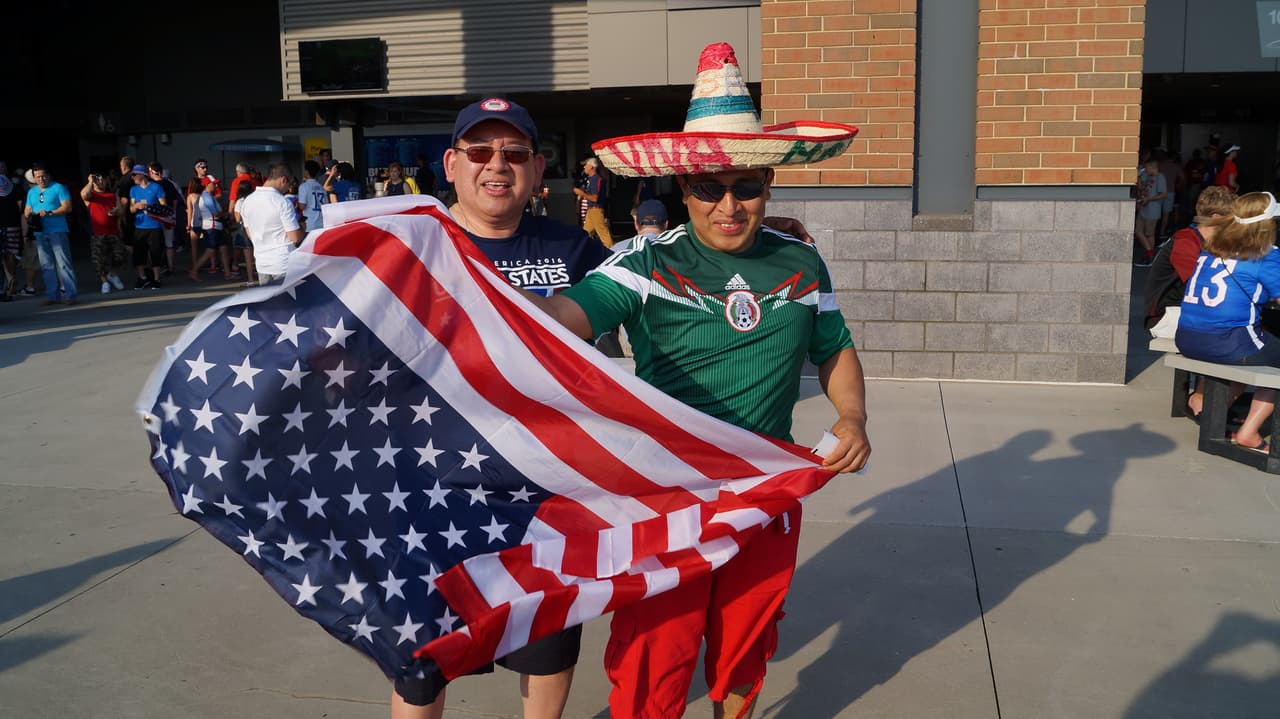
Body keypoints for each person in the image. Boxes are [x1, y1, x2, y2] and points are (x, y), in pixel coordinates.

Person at [519, 42, 868, 719]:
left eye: (748, 184)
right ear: (683, 188)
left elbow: (836, 347)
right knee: (655, 657)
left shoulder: (803, 261)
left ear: (769, 182)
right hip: (665, 501)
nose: (729, 204)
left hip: (764, 493)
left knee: (744, 650)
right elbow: (564, 316)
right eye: (709, 186)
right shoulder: (645, 261)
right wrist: (476, 304)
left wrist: (851, 416)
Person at [389, 96, 614, 719]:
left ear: (538, 170)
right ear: (451, 163)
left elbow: (654, 287)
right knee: (421, 664)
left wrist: (759, 241)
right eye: (480, 152)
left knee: (547, 649)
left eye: (514, 154)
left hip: (543, 496)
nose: (498, 165)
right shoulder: (405, 245)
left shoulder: (576, 251)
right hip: (429, 491)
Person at [1176, 191, 1280, 452]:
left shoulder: (1211, 248)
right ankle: (1249, 432)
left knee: (1254, 351)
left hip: (1187, 336)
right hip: (1226, 341)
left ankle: (1211, 410)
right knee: (1271, 356)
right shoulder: (1266, 255)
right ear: (1267, 224)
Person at [1143, 185, 1236, 333]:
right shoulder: (1185, 240)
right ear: (1217, 218)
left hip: (1185, 309)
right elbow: (1198, 282)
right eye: (1232, 218)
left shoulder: (1209, 242)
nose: (1236, 224)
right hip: (1165, 316)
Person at [24, 164, 78, 305]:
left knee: (63, 263)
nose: (41, 179)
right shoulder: (32, 192)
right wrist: (30, 215)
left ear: (48, 175)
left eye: (43, 176)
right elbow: (27, 210)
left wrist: (50, 213)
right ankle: (52, 295)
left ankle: (70, 295)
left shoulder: (59, 188)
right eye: (38, 177)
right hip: (40, 231)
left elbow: (68, 207)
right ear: (34, 178)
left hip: (57, 229)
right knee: (46, 265)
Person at [238, 164, 302, 284]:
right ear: (283, 180)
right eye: (289, 184)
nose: (288, 188)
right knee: (287, 301)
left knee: (269, 301)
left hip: (262, 263)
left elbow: (250, 235)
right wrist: (302, 227)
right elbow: (295, 238)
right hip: (283, 262)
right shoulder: (283, 202)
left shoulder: (247, 201)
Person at [80, 172, 127, 293]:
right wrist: (90, 181)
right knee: (99, 260)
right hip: (98, 232)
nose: (100, 181)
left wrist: (117, 210)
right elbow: (84, 194)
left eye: (102, 179)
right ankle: (104, 281)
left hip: (113, 231)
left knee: (119, 256)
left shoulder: (112, 195)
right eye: (98, 179)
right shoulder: (92, 196)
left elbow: (121, 211)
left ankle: (112, 274)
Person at [127, 163, 167, 289]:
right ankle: (142, 278)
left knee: (155, 252)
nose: (132, 177)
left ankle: (156, 279)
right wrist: (136, 206)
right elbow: (131, 209)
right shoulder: (133, 189)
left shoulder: (156, 187)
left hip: (154, 225)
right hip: (140, 226)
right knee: (139, 254)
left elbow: (164, 206)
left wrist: (150, 207)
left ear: (142, 175)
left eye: (134, 174)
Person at [189, 175, 234, 281]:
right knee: (210, 251)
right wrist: (226, 214)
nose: (217, 185)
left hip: (215, 226)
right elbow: (216, 214)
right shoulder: (207, 197)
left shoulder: (208, 196)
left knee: (223, 249)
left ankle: (227, 273)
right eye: (214, 183)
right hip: (212, 227)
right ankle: (194, 270)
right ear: (207, 184)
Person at [148, 162, 185, 276]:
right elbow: (175, 199)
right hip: (169, 216)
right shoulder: (169, 183)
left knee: (156, 243)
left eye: (149, 171)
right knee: (169, 243)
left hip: (155, 217)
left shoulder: (151, 185)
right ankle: (170, 267)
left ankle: (156, 267)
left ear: (153, 172)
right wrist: (172, 213)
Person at [573, 157, 613, 247]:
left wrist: (582, 193)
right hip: (591, 210)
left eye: (586, 165)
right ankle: (587, 252)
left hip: (596, 210)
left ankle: (612, 252)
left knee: (603, 234)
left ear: (591, 167)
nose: (584, 167)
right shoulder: (591, 179)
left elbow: (595, 198)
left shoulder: (596, 179)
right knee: (585, 233)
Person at [1134, 159, 1166, 266]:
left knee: (1149, 234)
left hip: (1153, 210)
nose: (1146, 170)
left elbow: (1163, 194)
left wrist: (1149, 199)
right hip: (1144, 208)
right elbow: (1141, 188)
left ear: (1153, 167)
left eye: (1147, 168)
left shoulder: (1160, 177)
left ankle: (1150, 256)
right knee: (1138, 231)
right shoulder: (1147, 177)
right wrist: (1138, 177)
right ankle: (1149, 252)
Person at [0, 160, 21, 300]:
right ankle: (11, 280)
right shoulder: (14, 185)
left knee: (3, 255)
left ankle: (7, 283)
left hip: (3, 225)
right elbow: (20, 206)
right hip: (13, 224)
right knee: (11, 253)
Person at [296, 160, 327, 232]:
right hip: (321, 224)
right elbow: (326, 206)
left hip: (309, 224)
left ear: (306, 172)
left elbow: (302, 206)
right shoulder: (321, 187)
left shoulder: (304, 186)